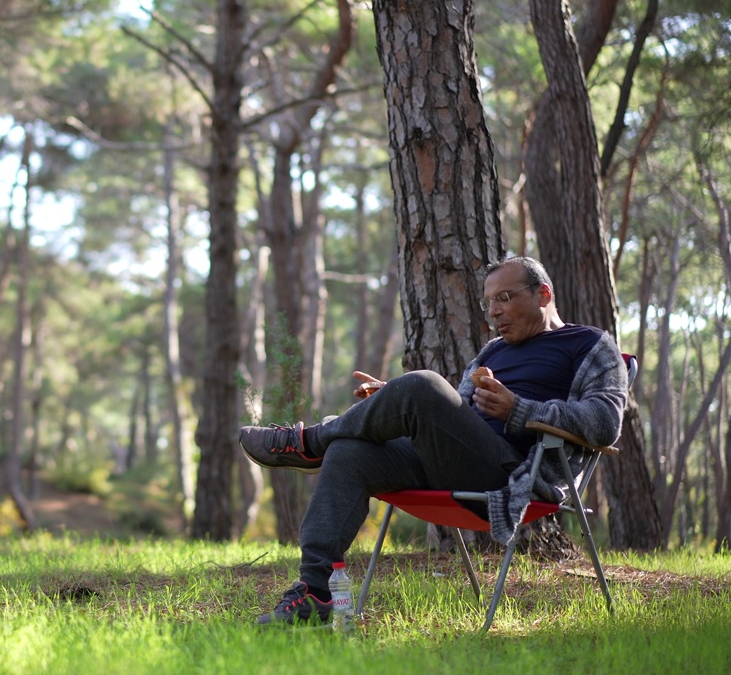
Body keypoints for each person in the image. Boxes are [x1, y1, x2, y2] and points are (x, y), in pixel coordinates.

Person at [238, 256, 628, 626]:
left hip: (514, 477)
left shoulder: (589, 346)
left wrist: (519, 410)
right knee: (350, 449)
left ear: (543, 294)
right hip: (455, 463)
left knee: (420, 385)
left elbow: (606, 423)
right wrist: (394, 399)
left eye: (504, 298)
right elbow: (454, 411)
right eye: (488, 302)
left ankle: (309, 440)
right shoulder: (493, 351)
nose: (493, 311)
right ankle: (316, 591)